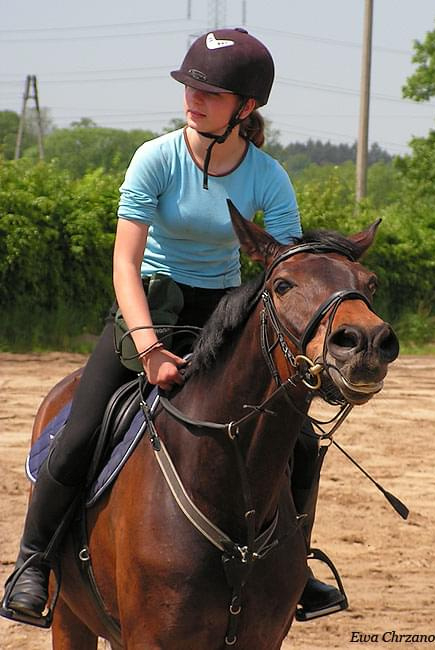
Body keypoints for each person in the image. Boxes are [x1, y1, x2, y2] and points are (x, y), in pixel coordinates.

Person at [1, 28, 347, 626]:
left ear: (246, 107)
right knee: (80, 430)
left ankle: (296, 565)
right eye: (189, 85)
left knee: (298, 439)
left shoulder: (269, 176)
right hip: (150, 307)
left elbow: (284, 267)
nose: (193, 98)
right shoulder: (155, 157)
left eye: (209, 91)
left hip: (227, 314)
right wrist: (150, 346)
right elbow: (124, 264)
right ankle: (33, 562)